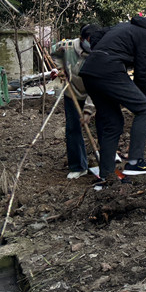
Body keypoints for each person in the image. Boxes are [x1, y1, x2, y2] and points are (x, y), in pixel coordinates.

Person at [80, 14, 146, 183]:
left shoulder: (125, 26)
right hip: (110, 69)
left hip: (90, 70)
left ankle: (106, 175)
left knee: (113, 122)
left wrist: (103, 54)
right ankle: (135, 162)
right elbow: (142, 72)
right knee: (145, 109)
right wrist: (140, 101)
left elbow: (97, 35)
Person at [51, 24, 101, 179]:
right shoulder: (68, 46)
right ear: (82, 39)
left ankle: (107, 159)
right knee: (73, 129)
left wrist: (88, 110)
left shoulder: (99, 54)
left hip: (93, 92)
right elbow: (54, 50)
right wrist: (61, 69)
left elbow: (97, 86)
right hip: (71, 91)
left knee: (104, 125)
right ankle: (78, 166)